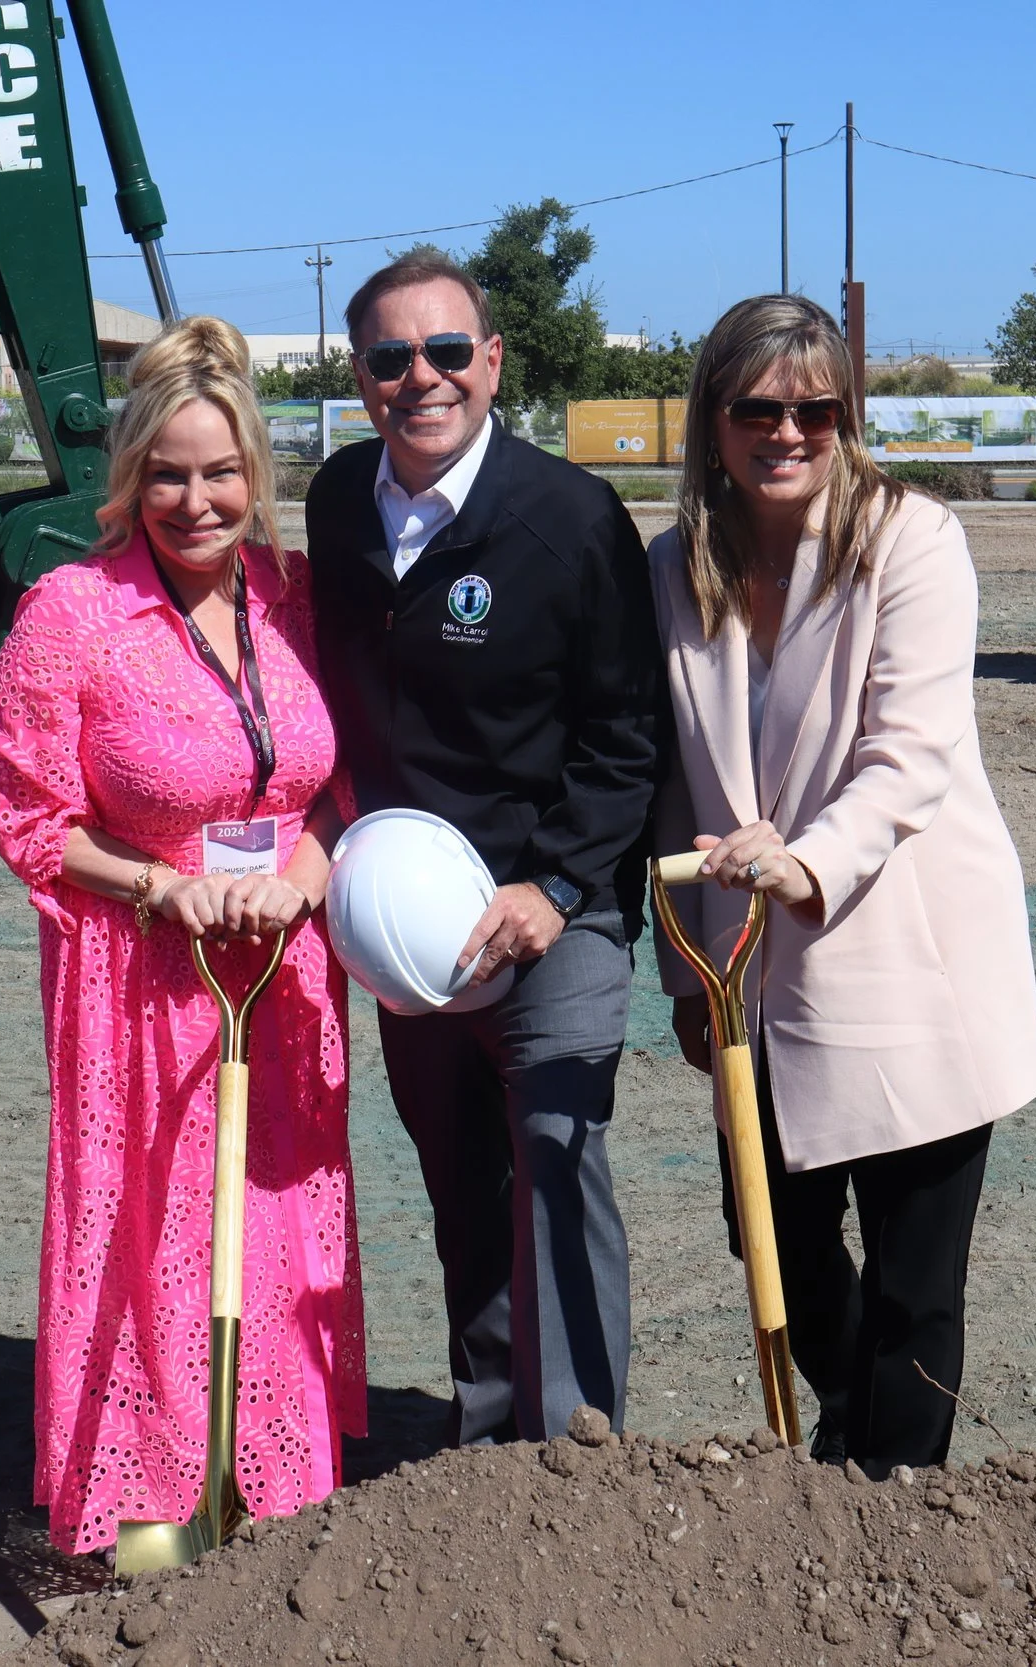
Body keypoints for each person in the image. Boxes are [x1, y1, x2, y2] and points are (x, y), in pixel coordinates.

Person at [0, 314, 364, 1556]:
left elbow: (338, 786)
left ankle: (274, 1473)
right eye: (168, 473)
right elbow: (22, 809)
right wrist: (153, 884)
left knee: (275, 1216)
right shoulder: (71, 612)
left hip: (283, 968)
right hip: (142, 976)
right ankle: (151, 1490)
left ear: (256, 472)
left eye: (220, 472)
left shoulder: (295, 598)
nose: (195, 501)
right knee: (154, 1221)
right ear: (130, 475)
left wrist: (305, 869)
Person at [649, 294, 1036, 1475]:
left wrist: (806, 861)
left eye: (817, 409)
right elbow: (678, 777)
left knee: (917, 1279)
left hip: (904, 957)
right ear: (712, 421)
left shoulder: (910, 540)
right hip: (750, 978)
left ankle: (899, 1502)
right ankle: (849, 1432)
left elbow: (909, 749)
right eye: (759, 408)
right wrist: (686, 971)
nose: (789, 432)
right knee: (770, 1237)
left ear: (846, 417)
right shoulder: (677, 566)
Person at [306, 250, 665, 1445]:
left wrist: (557, 882)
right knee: (464, 1190)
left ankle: (577, 1449)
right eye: (393, 356)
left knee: (556, 1165)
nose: (424, 377)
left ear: (493, 360)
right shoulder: (337, 501)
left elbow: (629, 735)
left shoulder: (572, 520)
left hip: (552, 910)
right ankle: (489, 1453)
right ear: (358, 374)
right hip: (410, 932)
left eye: (448, 351)